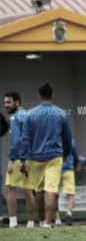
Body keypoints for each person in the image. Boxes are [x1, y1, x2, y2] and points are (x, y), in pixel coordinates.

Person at [20, 83, 72, 227]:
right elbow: (67, 137)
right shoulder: (61, 113)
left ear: (39, 96)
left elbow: (25, 139)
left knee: (39, 191)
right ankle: (48, 223)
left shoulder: (30, 115)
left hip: (34, 158)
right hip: (54, 157)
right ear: (52, 96)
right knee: (51, 189)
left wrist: (23, 159)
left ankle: (42, 220)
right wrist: (66, 153)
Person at [3, 92, 35, 228]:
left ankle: (13, 223)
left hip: (18, 159)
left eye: (8, 102)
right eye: (5, 102)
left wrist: (11, 160)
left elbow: (16, 141)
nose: (6, 105)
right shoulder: (28, 116)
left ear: (17, 102)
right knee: (28, 190)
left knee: (9, 189)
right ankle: (31, 223)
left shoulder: (14, 118)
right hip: (30, 159)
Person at [55, 139, 80, 226]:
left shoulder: (54, 140)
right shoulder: (71, 141)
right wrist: (75, 165)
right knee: (71, 195)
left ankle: (57, 219)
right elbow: (76, 156)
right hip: (69, 170)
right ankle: (69, 213)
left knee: (54, 195)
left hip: (55, 170)